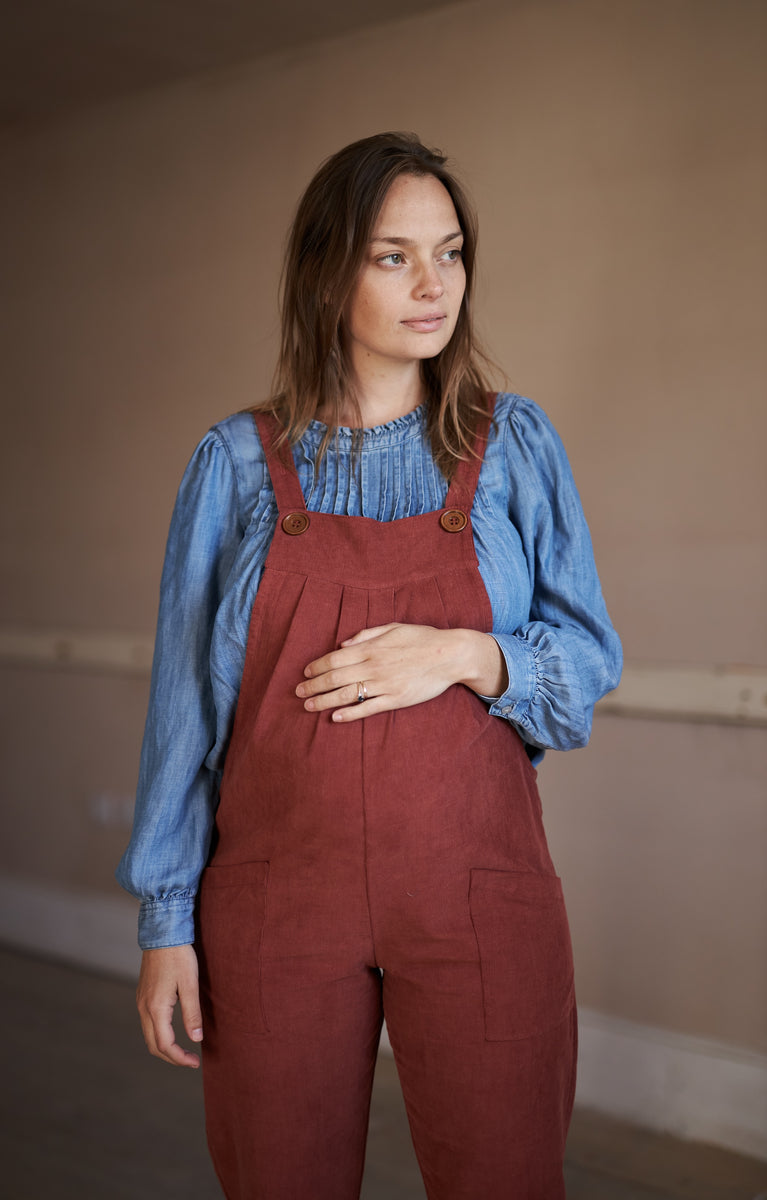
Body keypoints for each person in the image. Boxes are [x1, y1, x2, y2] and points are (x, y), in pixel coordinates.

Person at [117, 131, 622, 1200]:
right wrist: (166, 920)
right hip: (273, 906)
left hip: (479, 898)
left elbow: (584, 664)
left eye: (448, 251)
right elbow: (182, 717)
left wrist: (463, 653)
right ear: (325, 269)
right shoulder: (234, 468)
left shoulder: (512, 446)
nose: (431, 282)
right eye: (392, 256)